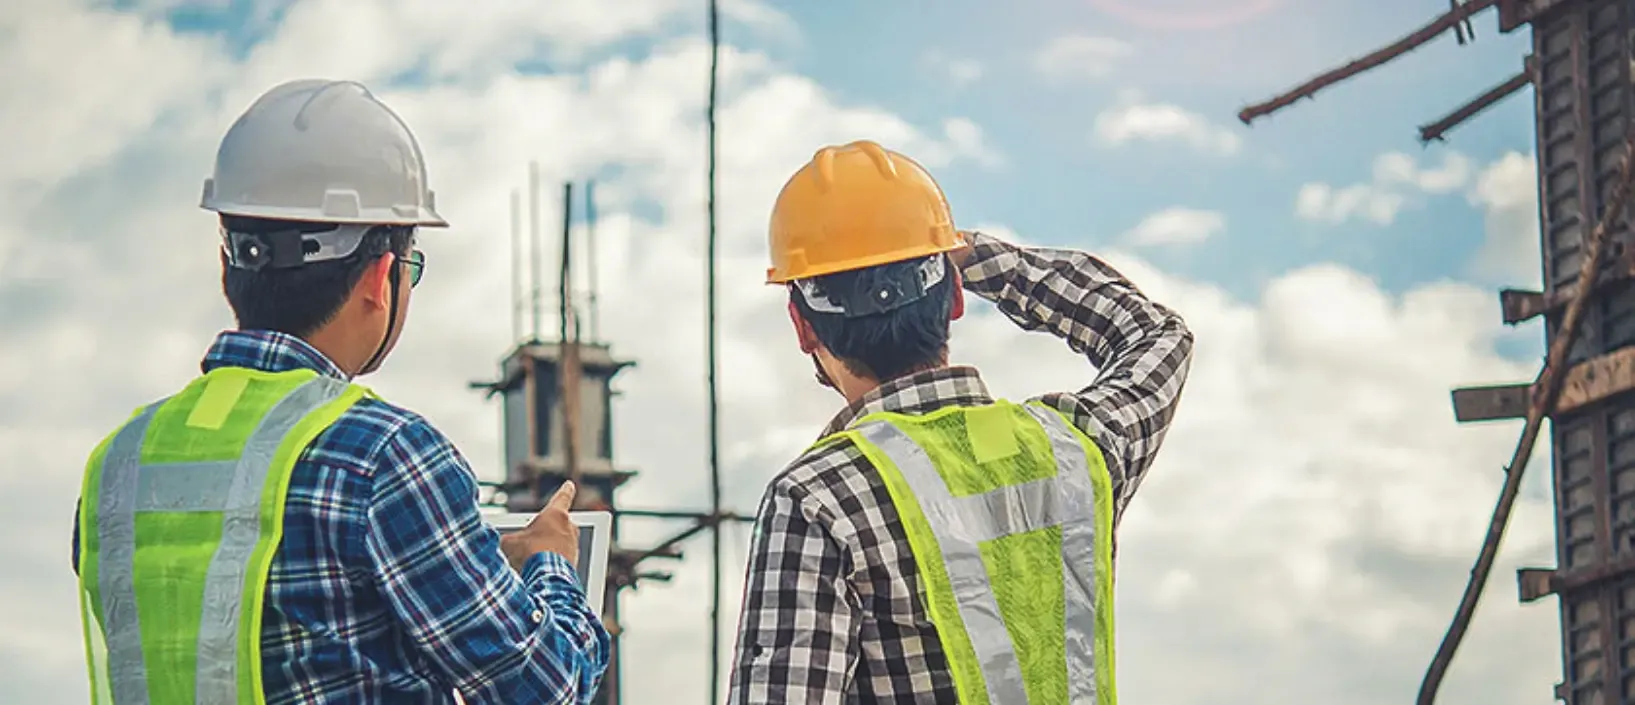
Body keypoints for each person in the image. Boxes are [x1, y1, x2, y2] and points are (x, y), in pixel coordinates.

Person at [69, 79, 609, 704]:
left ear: (229, 263)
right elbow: (544, 687)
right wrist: (550, 564)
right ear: (382, 277)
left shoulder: (119, 461)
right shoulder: (383, 455)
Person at [727, 140, 1194, 704]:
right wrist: (975, 257)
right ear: (954, 300)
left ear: (802, 327)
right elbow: (1154, 335)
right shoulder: (1071, 450)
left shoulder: (819, 499)